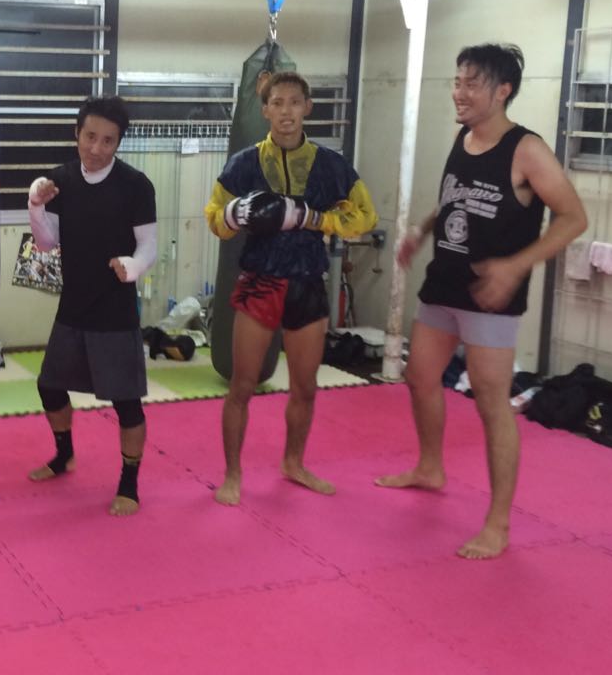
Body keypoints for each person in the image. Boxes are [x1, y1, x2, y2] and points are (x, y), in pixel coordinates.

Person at [376, 44, 587, 559]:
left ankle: (498, 523)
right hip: (444, 283)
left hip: (491, 296)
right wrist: (422, 229)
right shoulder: (464, 136)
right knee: (420, 377)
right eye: (457, 81)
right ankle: (430, 467)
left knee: (492, 404)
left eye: (472, 84)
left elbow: (574, 218)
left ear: (502, 91)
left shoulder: (526, 150)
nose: (459, 92)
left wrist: (516, 266)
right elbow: (455, 198)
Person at [204, 71, 377, 504]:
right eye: (277, 103)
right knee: (242, 385)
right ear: (264, 109)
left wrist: (315, 219)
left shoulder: (331, 165)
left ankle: (293, 463)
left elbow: (365, 216)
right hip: (260, 281)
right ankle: (232, 474)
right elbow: (214, 218)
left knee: (305, 387)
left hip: (307, 283)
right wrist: (234, 215)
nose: (286, 112)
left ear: (307, 108)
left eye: (294, 103)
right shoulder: (244, 163)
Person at [26, 95, 157, 515]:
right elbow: (46, 243)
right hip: (74, 303)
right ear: (77, 134)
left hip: (116, 308)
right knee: (49, 386)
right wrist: (35, 206)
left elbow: (149, 246)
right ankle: (64, 455)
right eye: (90, 137)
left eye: (108, 140)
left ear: (119, 142)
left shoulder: (136, 186)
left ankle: (129, 483)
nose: (97, 148)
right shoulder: (60, 180)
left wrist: (133, 266)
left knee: (125, 401)